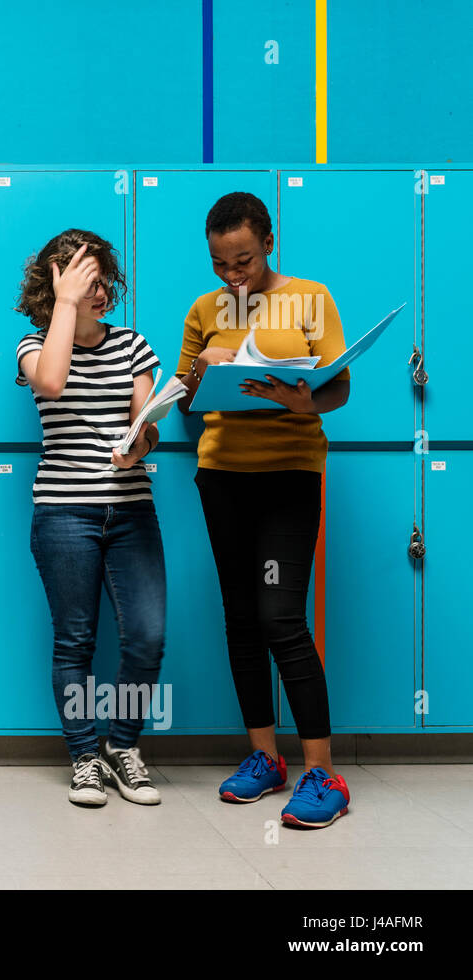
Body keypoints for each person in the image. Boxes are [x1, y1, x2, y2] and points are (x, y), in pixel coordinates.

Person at [173, 191, 352, 829]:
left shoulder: (311, 297)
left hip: (287, 477)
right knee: (241, 619)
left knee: (282, 619)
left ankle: (324, 772)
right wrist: (203, 367)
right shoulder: (205, 309)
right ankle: (264, 760)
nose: (233, 275)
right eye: (221, 264)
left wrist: (300, 402)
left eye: (243, 260)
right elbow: (188, 399)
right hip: (222, 476)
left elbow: (337, 386)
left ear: (267, 242)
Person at [15, 229, 166, 808]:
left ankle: (122, 748)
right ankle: (83, 756)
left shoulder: (132, 346)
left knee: (147, 636)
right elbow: (51, 383)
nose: (101, 291)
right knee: (75, 640)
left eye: (104, 280)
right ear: (58, 283)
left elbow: (145, 423)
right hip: (64, 512)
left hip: (131, 510)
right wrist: (67, 304)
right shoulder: (33, 347)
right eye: (88, 281)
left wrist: (140, 445)